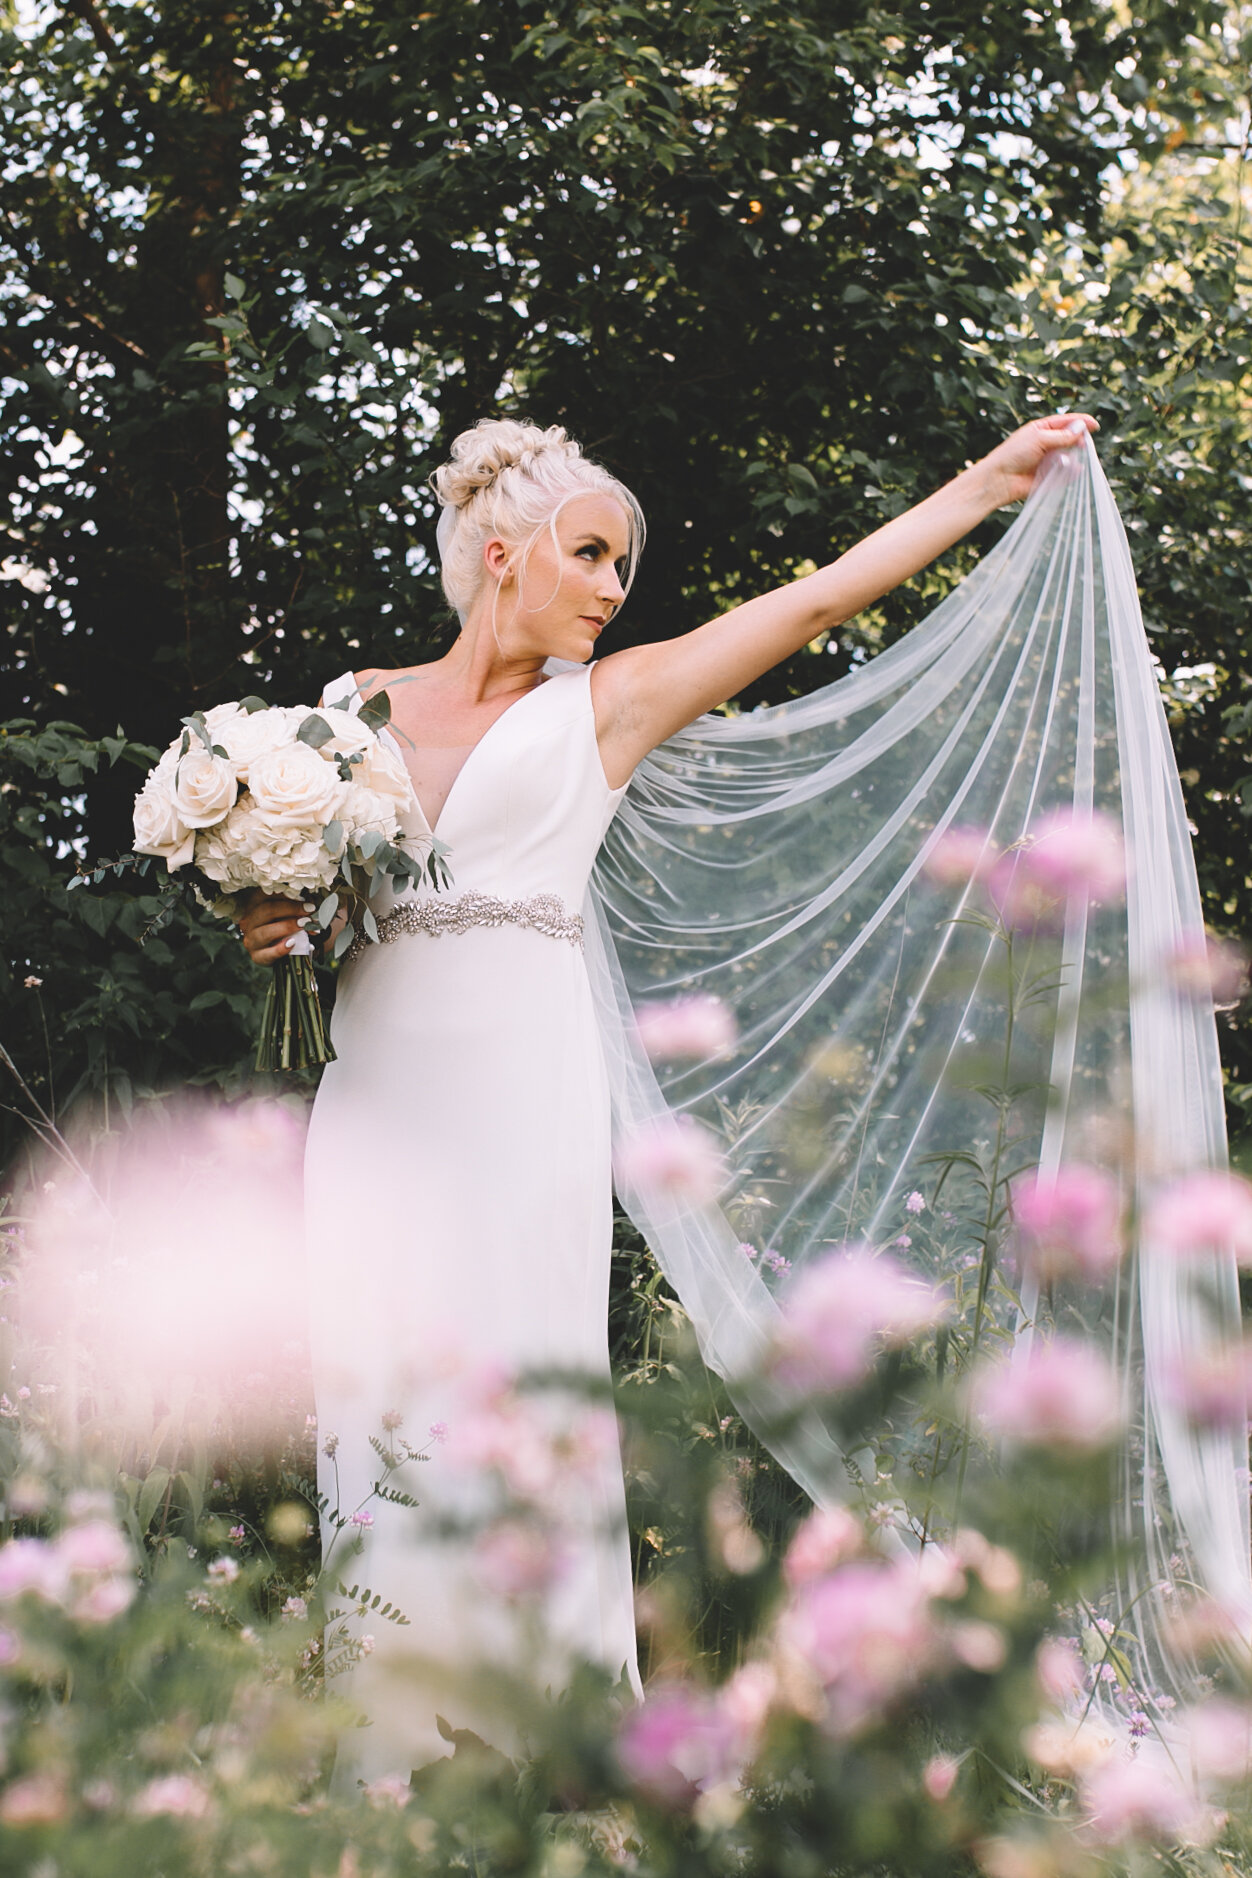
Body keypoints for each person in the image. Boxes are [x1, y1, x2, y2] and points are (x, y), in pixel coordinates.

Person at [238, 411, 1099, 1776]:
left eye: (621, 569)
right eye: (589, 554)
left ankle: (550, 1750)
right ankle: (386, 1750)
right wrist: (276, 928)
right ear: (503, 554)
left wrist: (986, 485)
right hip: (375, 1104)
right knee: (377, 1389)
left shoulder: (607, 703)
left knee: (525, 1392)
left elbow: (815, 598)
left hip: (523, 1096)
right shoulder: (351, 713)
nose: (610, 587)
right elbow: (325, 921)